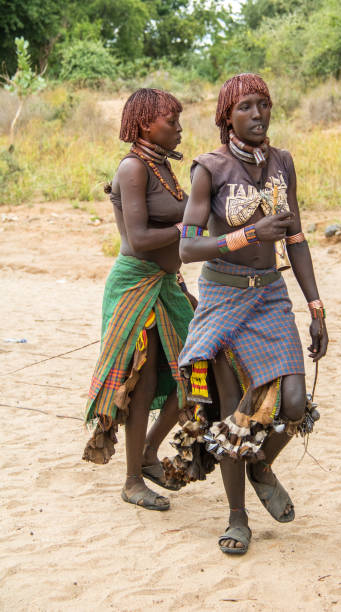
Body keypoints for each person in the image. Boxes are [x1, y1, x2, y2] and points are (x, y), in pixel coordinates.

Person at [171, 73, 328, 553]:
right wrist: (248, 235)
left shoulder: (282, 162)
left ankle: (262, 466)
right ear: (227, 117)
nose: (257, 114)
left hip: (272, 295)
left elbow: (296, 239)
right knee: (236, 411)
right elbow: (187, 246)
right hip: (223, 297)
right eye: (246, 107)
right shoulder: (209, 168)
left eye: (264, 104)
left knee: (295, 401)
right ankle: (237, 517)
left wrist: (317, 308)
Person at [82, 88, 196, 512]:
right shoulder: (133, 168)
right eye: (172, 121)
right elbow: (141, 239)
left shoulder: (161, 166)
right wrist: (191, 227)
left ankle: (148, 453)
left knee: (192, 367)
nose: (180, 129)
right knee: (143, 381)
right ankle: (132, 481)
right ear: (146, 123)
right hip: (135, 285)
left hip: (167, 284)